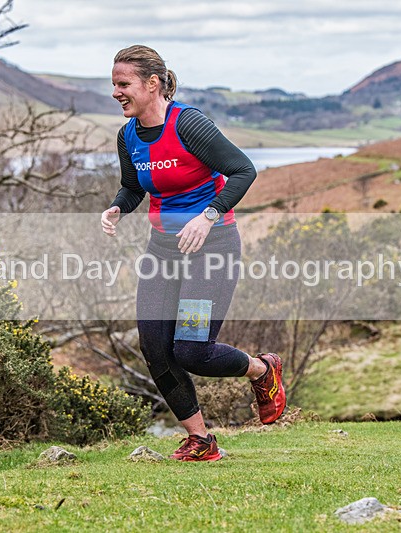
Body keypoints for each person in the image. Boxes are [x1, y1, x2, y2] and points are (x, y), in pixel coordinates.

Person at [101, 45, 286, 461]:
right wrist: (117, 206)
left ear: (152, 85)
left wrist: (209, 215)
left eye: (123, 84)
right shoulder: (128, 135)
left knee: (191, 349)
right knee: (154, 347)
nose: (116, 92)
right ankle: (200, 441)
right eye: (113, 84)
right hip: (162, 251)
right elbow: (134, 186)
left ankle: (262, 370)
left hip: (211, 248)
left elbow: (243, 169)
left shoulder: (189, 125)